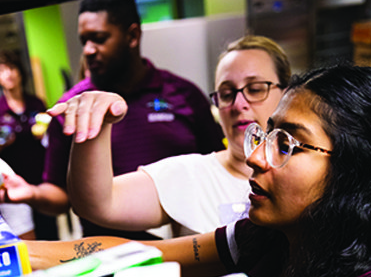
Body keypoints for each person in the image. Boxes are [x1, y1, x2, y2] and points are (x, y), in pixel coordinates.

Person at [25, 65, 371, 277]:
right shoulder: (269, 237)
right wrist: (19, 254)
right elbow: (142, 253)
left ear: (356, 170)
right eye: (267, 136)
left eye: (286, 144)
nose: (255, 157)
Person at [0, 0, 225, 240]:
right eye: (83, 40)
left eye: (99, 38)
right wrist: (31, 193)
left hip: (186, 251)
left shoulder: (184, 95)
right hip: (109, 257)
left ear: (132, 36)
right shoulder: (72, 108)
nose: (88, 50)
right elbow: (61, 196)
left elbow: (216, 170)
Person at [46, 35, 291, 238]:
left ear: (287, 94)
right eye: (226, 94)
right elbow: (98, 204)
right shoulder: (193, 173)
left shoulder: (309, 171)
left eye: (256, 89)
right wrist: (97, 125)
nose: (239, 104)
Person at [0, 50, 58, 240]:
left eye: (12, 68)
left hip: (40, 179)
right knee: (24, 241)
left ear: (20, 72)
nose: (9, 74)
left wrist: (44, 134)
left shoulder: (36, 102)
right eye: (2, 70)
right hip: (12, 186)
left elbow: (51, 138)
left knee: (49, 235)